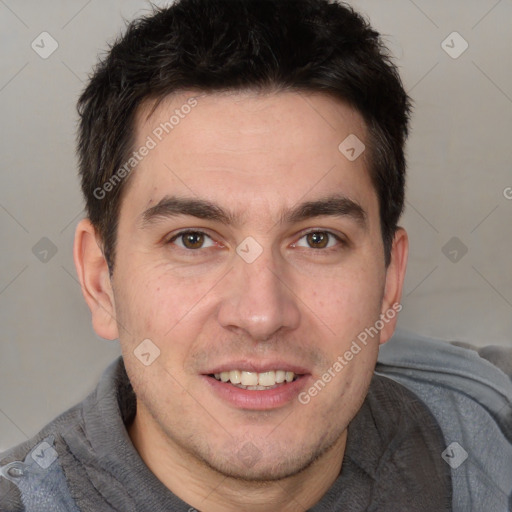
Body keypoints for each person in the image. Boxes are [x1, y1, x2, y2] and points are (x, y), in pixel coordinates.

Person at [0, 0, 456, 510]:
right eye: (193, 239)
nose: (261, 315)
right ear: (100, 281)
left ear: (390, 284)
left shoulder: (483, 438)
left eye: (317, 238)